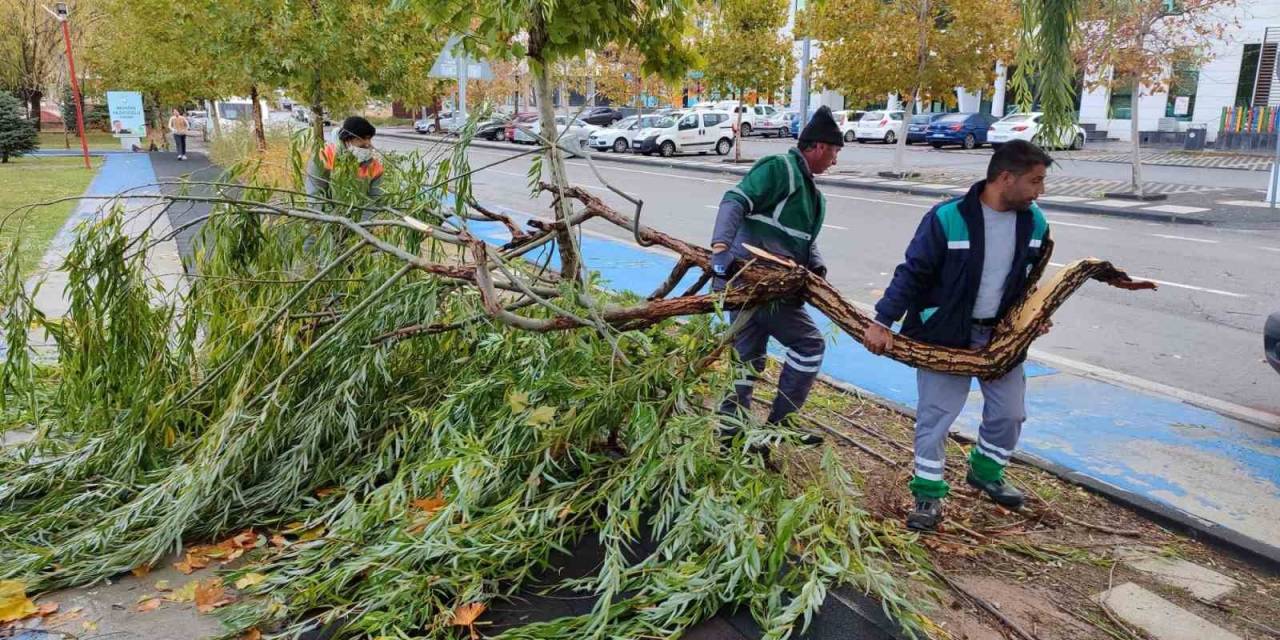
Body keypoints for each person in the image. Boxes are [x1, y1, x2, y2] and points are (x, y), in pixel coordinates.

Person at [864, 139, 1054, 532]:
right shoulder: (947, 218)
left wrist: (1036, 315)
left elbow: (1030, 279)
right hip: (945, 333)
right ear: (1006, 178)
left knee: (1010, 412)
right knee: (936, 417)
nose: (1040, 190)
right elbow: (913, 272)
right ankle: (928, 496)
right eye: (1035, 181)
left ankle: (986, 470)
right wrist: (882, 321)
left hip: (1001, 337)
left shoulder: (1034, 223)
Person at [710, 105, 844, 445]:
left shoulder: (813, 195)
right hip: (757, 283)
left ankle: (731, 435)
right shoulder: (781, 169)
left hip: (772, 288)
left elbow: (801, 242)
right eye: (834, 153)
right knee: (810, 344)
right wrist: (720, 251)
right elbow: (734, 201)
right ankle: (778, 426)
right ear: (819, 147)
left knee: (746, 361)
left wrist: (817, 269)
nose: (835, 161)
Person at [305, 115, 384, 203]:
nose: (368, 143)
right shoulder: (325, 156)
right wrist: (331, 216)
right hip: (329, 214)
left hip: (359, 214)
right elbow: (315, 195)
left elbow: (374, 201)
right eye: (362, 138)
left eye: (369, 138)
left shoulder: (374, 167)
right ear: (347, 140)